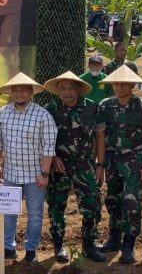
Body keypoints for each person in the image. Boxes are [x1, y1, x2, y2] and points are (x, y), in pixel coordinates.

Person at [95, 65, 142, 264]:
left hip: (135, 162)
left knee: (132, 203)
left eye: (124, 83)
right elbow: (101, 136)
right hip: (112, 161)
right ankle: (114, 239)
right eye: (116, 83)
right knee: (113, 200)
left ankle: (128, 244)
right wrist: (101, 164)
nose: (120, 87)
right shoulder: (105, 106)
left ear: (132, 84)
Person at [0, 73, 57, 263]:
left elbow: (48, 146)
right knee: (8, 213)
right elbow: (0, 143)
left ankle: (31, 249)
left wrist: (45, 173)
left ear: (31, 93)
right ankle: (7, 248)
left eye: (23, 89)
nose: (19, 93)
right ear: (11, 92)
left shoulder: (42, 115)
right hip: (11, 173)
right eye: (16, 89)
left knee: (35, 214)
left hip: (35, 174)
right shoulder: (3, 113)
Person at [42, 72, 106, 263]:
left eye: (71, 88)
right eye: (62, 88)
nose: (67, 92)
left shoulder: (92, 109)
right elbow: (44, 138)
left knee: (92, 206)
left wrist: (100, 165)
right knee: (55, 206)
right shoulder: (50, 110)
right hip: (59, 166)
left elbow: (99, 138)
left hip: (85, 164)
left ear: (78, 89)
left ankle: (89, 245)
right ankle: (58, 245)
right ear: (58, 91)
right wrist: (52, 158)